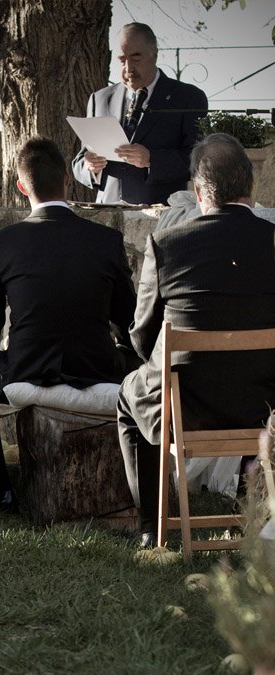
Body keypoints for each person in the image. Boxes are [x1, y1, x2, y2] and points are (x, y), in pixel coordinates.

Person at [0, 136, 139, 511]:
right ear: (68, 179)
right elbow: (128, 320)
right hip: (99, 370)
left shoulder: (4, 243)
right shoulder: (106, 240)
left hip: (25, 374)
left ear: (20, 187)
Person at [117, 133, 275, 548]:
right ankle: (248, 511)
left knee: (128, 396)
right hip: (265, 409)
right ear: (250, 187)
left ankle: (153, 528)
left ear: (198, 191)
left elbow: (142, 338)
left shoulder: (167, 244)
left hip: (187, 409)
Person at [72, 22, 208, 206]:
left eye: (136, 58)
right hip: (106, 213)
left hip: (162, 216)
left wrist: (152, 160)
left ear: (154, 55)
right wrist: (90, 167)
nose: (128, 67)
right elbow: (79, 161)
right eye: (122, 59)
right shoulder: (100, 99)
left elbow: (197, 161)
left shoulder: (188, 97)